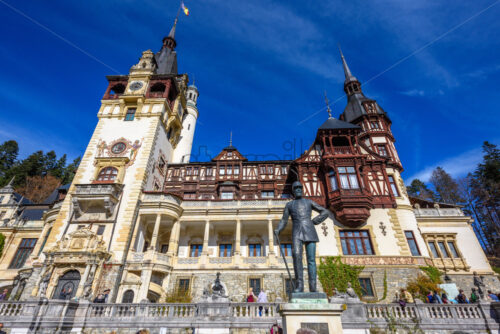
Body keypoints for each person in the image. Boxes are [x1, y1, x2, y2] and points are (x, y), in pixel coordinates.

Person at [275, 181, 329, 292]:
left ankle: (313, 286)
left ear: (302, 189)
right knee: (296, 257)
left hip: (309, 229)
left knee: (311, 260)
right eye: (296, 188)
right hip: (296, 231)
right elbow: (284, 220)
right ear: (293, 191)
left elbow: (325, 212)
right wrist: (278, 229)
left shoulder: (309, 202)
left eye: (300, 187)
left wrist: (315, 221)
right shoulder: (289, 205)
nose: (298, 189)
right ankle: (300, 286)